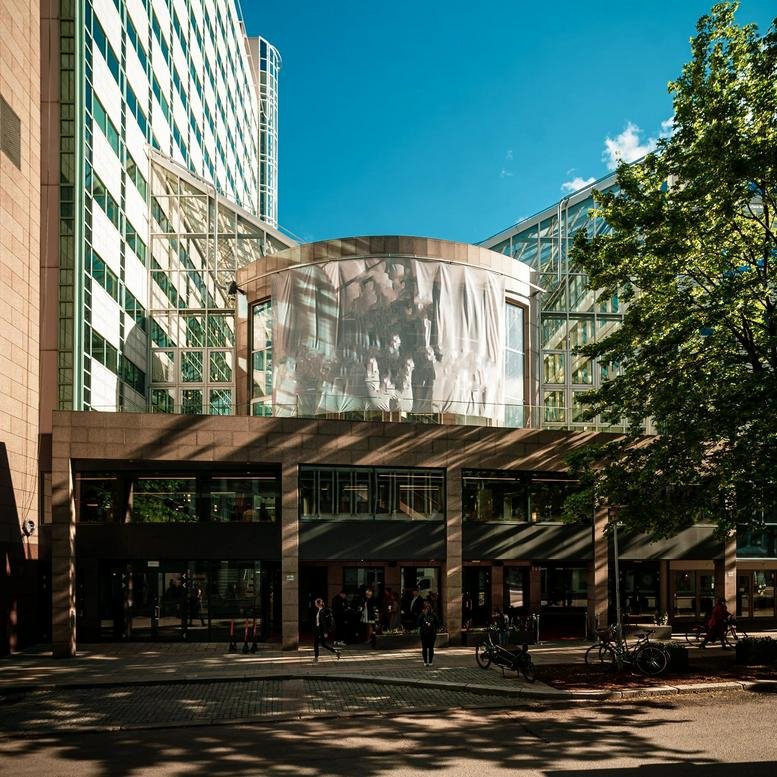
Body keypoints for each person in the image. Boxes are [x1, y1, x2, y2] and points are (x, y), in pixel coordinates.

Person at [312, 597, 340, 662]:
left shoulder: (322, 611)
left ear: (318, 604)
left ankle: (316, 658)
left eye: (316, 603)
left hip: (320, 630)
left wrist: (325, 632)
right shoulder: (320, 610)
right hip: (319, 629)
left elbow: (324, 623)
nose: (315, 604)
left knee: (316, 643)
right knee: (323, 644)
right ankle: (336, 651)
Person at [417, 602, 441, 666]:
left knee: (431, 648)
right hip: (424, 634)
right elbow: (418, 623)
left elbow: (438, 623)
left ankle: (430, 661)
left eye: (428, 608)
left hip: (431, 634)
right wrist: (422, 614)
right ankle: (425, 662)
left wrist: (434, 628)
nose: (427, 609)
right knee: (424, 648)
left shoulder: (433, 615)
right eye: (426, 608)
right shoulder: (422, 615)